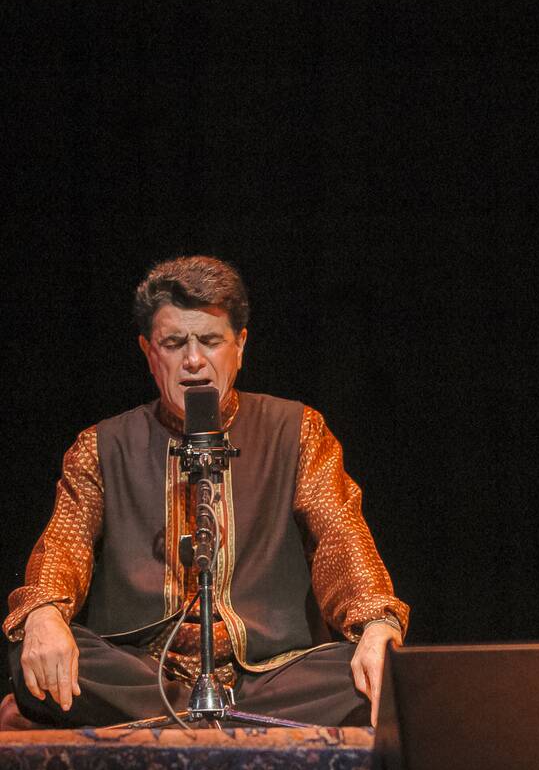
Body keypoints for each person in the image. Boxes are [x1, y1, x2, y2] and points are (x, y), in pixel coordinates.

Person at [4, 256, 410, 727]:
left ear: (240, 344)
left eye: (210, 341)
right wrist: (44, 616)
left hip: (268, 677)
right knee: (33, 655)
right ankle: (218, 718)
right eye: (174, 343)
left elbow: (341, 536)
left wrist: (376, 623)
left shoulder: (298, 430)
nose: (193, 360)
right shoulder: (101, 445)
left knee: (365, 672)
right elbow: (61, 548)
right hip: (144, 674)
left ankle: (194, 718)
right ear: (149, 352)